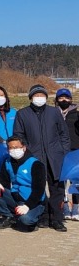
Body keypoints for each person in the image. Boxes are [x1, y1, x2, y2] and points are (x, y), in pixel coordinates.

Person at [13, 84, 71, 232]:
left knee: (57, 188)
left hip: (55, 157)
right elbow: (18, 136)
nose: (39, 98)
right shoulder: (22, 114)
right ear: (31, 98)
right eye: (36, 96)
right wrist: (27, 155)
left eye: (42, 95)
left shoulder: (54, 112)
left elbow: (64, 134)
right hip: (34, 158)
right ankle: (43, 217)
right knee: (38, 187)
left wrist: (63, 151)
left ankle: (57, 219)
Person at [0, 135, 47, 232]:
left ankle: (36, 219)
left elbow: (39, 189)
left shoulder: (36, 164)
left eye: (16, 147)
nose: (13, 150)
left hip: (33, 201)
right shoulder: (7, 161)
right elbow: (3, 177)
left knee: (25, 220)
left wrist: (28, 206)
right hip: (15, 197)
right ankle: (9, 217)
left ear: (24, 148)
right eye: (10, 148)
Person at [55, 88, 79, 220]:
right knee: (61, 181)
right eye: (61, 98)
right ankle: (64, 206)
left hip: (75, 151)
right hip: (59, 151)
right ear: (57, 100)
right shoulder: (53, 113)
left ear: (71, 99)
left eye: (67, 98)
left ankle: (76, 207)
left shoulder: (76, 114)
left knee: (76, 181)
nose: (64, 100)